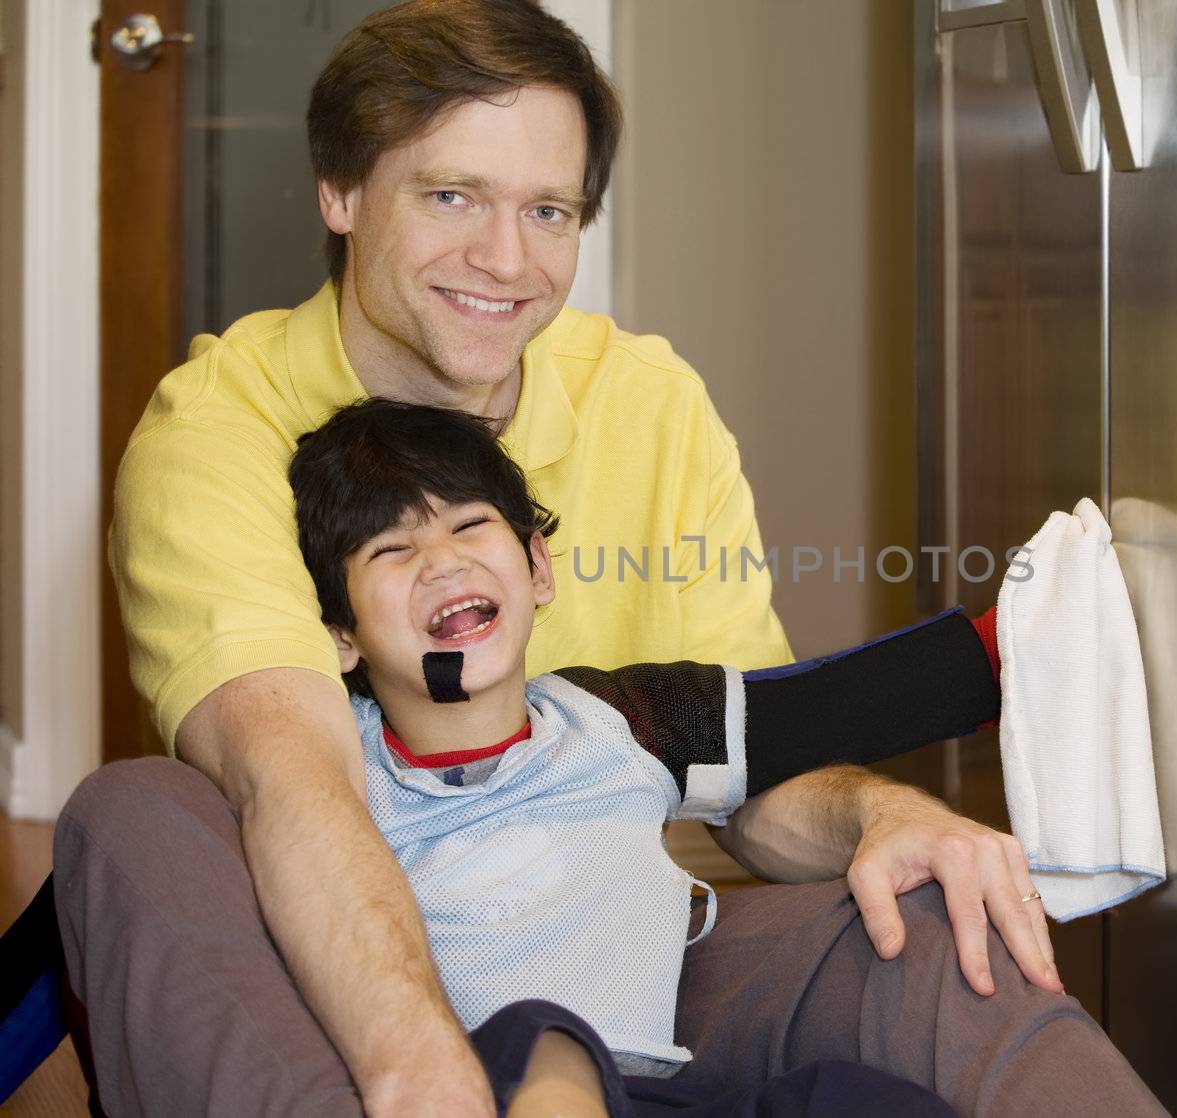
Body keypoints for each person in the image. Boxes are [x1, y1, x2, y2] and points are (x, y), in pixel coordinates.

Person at [55, 2, 1165, 1115]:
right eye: (451, 195)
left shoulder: (649, 402)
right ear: (340, 192)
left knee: (928, 922)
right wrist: (427, 1076)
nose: (506, 259)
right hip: (337, 968)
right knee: (138, 810)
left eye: (548, 209)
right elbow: (292, 777)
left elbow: (747, 762)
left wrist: (882, 813)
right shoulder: (215, 431)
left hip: (619, 961)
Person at [288, 397, 1017, 1115]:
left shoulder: (619, 720)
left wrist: (1018, 650)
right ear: (340, 635)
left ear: (538, 570)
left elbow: (827, 704)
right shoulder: (331, 771)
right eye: (391, 549)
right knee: (538, 1033)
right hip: (475, 1087)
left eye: (470, 524)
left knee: (853, 1097)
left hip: (659, 1090)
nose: (442, 562)